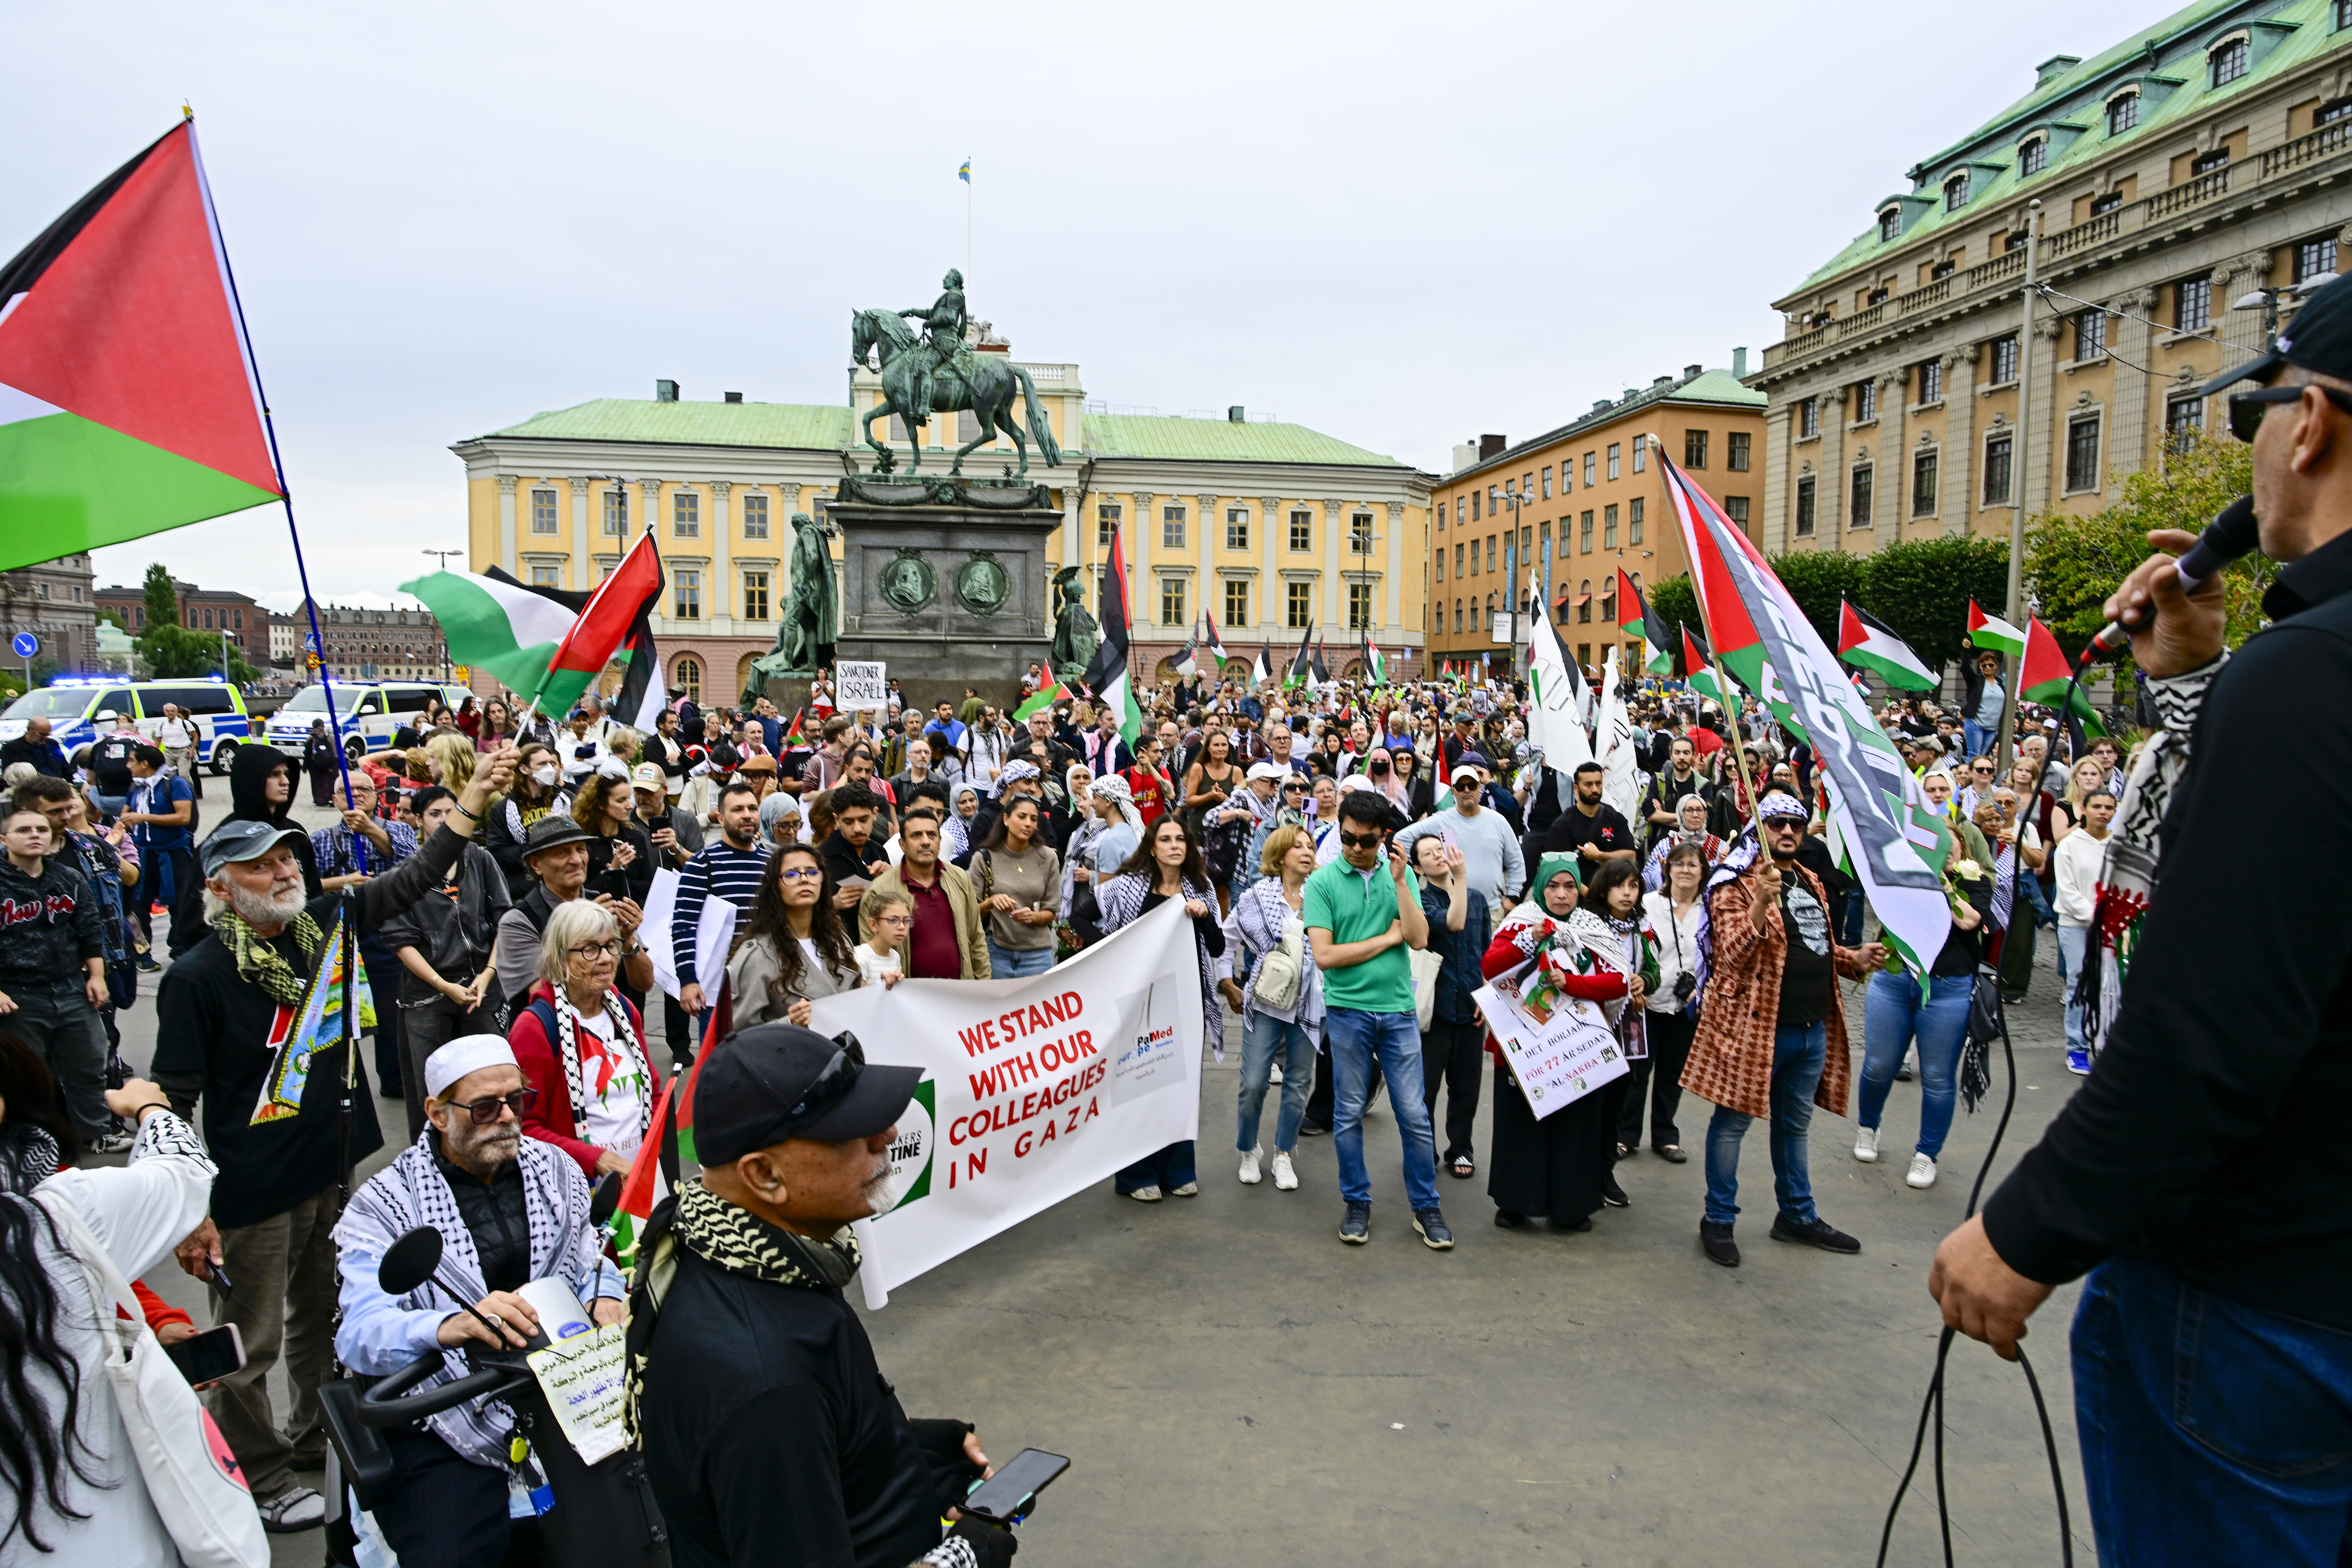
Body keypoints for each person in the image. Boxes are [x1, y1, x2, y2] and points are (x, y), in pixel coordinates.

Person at [1924, 287, 2352, 1562]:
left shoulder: (2310, 676)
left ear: (2311, 425)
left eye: (2252, 411)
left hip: (2264, 1306)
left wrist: (2029, 1226)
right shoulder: (2298, 677)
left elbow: (2213, 1023)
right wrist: (2206, 678)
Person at [151, 744, 518, 1533]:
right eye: (259, 866)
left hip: (329, 1171)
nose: (283, 872)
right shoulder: (195, 977)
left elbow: (411, 879)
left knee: (326, 1317)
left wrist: (472, 803)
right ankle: (258, 1473)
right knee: (245, 1345)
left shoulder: (322, 928)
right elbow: (171, 1104)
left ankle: (316, 1434)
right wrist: (188, 1210)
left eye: (288, 858)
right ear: (219, 886)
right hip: (247, 1192)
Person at [627, 1020, 1011, 1568]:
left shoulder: (739, 1250)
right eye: (848, 1130)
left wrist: (901, 1447)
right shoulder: (768, 1384)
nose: (887, 1134)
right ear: (765, 1174)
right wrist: (969, 1552)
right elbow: (777, 1423)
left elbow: (794, 1466)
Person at [331, 1036, 626, 1568]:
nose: (507, 1117)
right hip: (446, 1413)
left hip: (569, 1394)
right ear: (437, 1113)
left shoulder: (557, 1168)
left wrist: (605, 1293)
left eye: (517, 1100)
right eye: (486, 1106)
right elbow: (359, 1333)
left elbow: (590, 1256)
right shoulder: (383, 1204)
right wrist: (447, 1325)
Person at [0, 1081, 216, 1559]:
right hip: (100, 1522)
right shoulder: (57, 1208)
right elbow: (181, 1173)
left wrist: (158, 1321)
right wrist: (149, 1105)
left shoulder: (53, 1201)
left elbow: (90, 1265)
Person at [1681, 792, 1886, 1268]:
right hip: (1755, 1029)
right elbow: (1731, 956)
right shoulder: (1733, 882)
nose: (1788, 831)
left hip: (1812, 1029)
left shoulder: (1810, 879)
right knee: (1732, 1125)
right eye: (1777, 823)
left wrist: (1853, 958)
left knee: (1795, 1127)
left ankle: (1796, 1214)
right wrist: (1760, 902)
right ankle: (1718, 1219)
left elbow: (1816, 945)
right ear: (1759, 830)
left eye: (1796, 822)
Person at [1304, 788, 1448, 1248]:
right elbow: (1326, 956)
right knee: (1348, 1113)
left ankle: (1426, 1206)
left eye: (1367, 841)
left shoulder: (1398, 876)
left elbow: (1420, 938)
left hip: (1399, 1010)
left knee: (1415, 1115)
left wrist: (1403, 883)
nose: (1356, 848)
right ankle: (1357, 1201)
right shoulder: (1322, 882)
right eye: (1348, 837)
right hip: (1347, 1011)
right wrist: (1388, 940)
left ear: (1383, 837)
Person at [1481, 855, 1629, 1231]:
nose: (1562, 895)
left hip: (1577, 1047)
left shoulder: (1591, 927)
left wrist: (1573, 983)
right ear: (1540, 888)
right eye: (1553, 886)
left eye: (1569, 886)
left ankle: (1571, 1207)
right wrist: (1530, 940)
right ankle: (1515, 1203)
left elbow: (1619, 981)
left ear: (1579, 889)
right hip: (1527, 1048)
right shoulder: (1522, 922)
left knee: (1575, 1129)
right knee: (1521, 1124)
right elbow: (1491, 967)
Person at [1852, 809, 1995, 1191]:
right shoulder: (1903, 877)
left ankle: (1926, 1154)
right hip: (1895, 982)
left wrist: (1944, 882)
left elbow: (1969, 921)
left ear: (1961, 847)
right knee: (1879, 1065)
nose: (1943, 850)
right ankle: (1868, 1128)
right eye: (1934, 845)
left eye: (1949, 844)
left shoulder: (1975, 880)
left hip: (1949, 988)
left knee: (1936, 1076)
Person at [1097, 815, 1222, 1201]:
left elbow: (1217, 947)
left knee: (1181, 1086)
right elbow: (1085, 918)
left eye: (1180, 839)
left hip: (1186, 1000)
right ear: (1152, 847)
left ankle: (1178, 1170)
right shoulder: (1127, 886)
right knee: (1140, 1083)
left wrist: (1203, 916)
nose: (1174, 845)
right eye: (1166, 839)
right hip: (1139, 1003)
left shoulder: (1201, 887)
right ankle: (1136, 1175)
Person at [377, 783, 511, 1142]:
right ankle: (431, 1157)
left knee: (490, 1075)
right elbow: (401, 942)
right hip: (427, 995)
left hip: (482, 988)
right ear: (418, 820)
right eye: (435, 814)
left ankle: (492, 1145)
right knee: (432, 1085)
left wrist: (489, 973)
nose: (445, 820)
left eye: (452, 812)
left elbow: (504, 920)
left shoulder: (480, 859)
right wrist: (442, 985)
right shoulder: (403, 875)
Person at [507, 899, 663, 1180]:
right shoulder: (535, 1028)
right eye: (589, 949)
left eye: (611, 945)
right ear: (560, 957)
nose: (606, 958)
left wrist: (657, 1146)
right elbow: (524, 1128)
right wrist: (597, 1160)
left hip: (641, 1179)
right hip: (577, 1188)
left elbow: (653, 1092)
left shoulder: (624, 1010)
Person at [0, 805, 116, 1151]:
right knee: (25, 1075)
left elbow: (90, 930)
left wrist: (98, 976)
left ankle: (96, 1132)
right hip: (18, 995)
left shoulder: (69, 878)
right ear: (4, 839)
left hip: (72, 988)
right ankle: (31, 1141)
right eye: (24, 830)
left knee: (90, 1064)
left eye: (41, 829)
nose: (35, 835)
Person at [1218, 823, 1325, 1192]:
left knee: (1298, 1084)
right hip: (1265, 1003)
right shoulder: (1256, 897)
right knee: (1253, 1083)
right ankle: (1249, 1149)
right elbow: (1227, 938)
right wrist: (1227, 981)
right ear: (1280, 855)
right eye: (1299, 846)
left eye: (1310, 846)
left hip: (1310, 1004)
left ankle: (1283, 1154)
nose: (1307, 852)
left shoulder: (1323, 894)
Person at [492, 814, 655, 1017]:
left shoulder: (607, 906)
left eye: (581, 849)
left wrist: (628, 939)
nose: (577, 860)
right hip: (554, 1033)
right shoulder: (519, 921)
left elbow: (645, 983)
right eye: (562, 853)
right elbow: (545, 995)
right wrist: (587, 930)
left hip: (616, 1027)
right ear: (536, 864)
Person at [1410, 834, 1489, 1182]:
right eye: (1428, 854)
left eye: (1440, 849)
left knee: (1466, 1087)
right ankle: (1423, 1148)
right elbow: (1454, 922)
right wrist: (1462, 878)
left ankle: (1461, 1147)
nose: (1438, 856)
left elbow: (1486, 950)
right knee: (1426, 1088)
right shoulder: (1422, 900)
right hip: (1435, 1009)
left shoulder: (1477, 899)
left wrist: (1486, 996)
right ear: (1418, 867)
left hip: (1471, 1008)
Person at [672, 779, 771, 1052]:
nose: (747, 815)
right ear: (721, 817)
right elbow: (683, 926)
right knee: (717, 1062)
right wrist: (688, 981)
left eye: (752, 808)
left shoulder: (771, 863)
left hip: (764, 984)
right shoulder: (702, 863)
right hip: (718, 989)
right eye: (738, 810)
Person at [1631, 840, 1708, 1163]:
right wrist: (1635, 984)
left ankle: (1665, 1137)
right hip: (1646, 1002)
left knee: (1673, 1073)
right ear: (1668, 869)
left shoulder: (1711, 910)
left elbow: (1716, 957)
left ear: (1703, 871)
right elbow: (1631, 947)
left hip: (1686, 1006)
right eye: (1679, 864)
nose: (1685, 870)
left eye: (1693, 864)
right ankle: (1625, 1135)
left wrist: (1703, 988)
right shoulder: (1648, 904)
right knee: (1637, 1072)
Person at [729, 842, 862, 1028]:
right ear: (776, 886)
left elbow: (857, 1005)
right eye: (791, 875)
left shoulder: (839, 942)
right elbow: (739, 1033)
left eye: (812, 873)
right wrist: (790, 1024)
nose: (804, 880)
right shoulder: (758, 955)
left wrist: (885, 987)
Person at [861, 810, 989, 980]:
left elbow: (977, 938)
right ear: (903, 844)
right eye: (916, 835)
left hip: (961, 991)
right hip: (907, 993)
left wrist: (983, 985)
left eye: (932, 835)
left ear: (940, 842)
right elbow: (871, 954)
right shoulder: (880, 891)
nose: (926, 842)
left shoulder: (960, 879)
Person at [1395, 754, 1524, 912]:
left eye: (1472, 785)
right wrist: (1430, 867)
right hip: (1453, 910)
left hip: (1493, 910)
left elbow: (1516, 861)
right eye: (1461, 787)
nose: (1467, 790)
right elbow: (1401, 840)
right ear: (1454, 791)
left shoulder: (1498, 821)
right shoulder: (1442, 821)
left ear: (1480, 787)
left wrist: (1513, 897)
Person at [2051, 787, 2116, 1074]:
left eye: (2109, 808)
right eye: (2097, 807)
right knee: (2080, 981)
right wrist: (2095, 918)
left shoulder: (2119, 845)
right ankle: (2077, 1047)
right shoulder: (2070, 845)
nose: (2103, 812)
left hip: (2113, 927)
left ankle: (2105, 1042)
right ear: (2084, 810)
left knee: (2109, 984)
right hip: (2076, 925)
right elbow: (2067, 890)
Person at [971, 788, 1060, 979]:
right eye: (1022, 817)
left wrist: (1034, 917)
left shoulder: (1048, 857)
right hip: (996, 952)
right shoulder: (984, 858)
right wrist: (991, 902)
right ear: (1006, 819)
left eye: (1034, 819)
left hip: (1038, 955)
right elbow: (970, 912)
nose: (1028, 824)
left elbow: (1052, 911)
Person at [120, 743, 194, 966]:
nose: (128, 766)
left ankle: (180, 949)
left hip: (174, 854)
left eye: (131, 761)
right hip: (143, 854)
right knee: (139, 906)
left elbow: (184, 818)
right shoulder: (136, 786)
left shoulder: (175, 784)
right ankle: (142, 954)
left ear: (145, 764)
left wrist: (145, 818)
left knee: (180, 904)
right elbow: (125, 816)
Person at [1542, 759, 1638, 875]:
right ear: (1576, 788)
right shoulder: (1563, 825)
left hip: (1612, 884)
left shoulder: (1615, 818)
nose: (1595, 789)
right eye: (1588, 785)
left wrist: (1599, 856)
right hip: (1579, 885)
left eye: (1599, 784)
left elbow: (1631, 856)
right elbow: (1556, 869)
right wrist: (1584, 888)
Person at [85, 710, 139, 818]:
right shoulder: (141, 744)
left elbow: (90, 780)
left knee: (86, 788)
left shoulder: (99, 744)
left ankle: (92, 822)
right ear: (135, 732)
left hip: (107, 802)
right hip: (138, 801)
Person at [855, 890, 910, 988]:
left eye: (907, 920)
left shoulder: (895, 956)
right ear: (873, 925)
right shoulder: (862, 957)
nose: (902, 927)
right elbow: (859, 996)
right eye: (893, 920)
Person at [154, 703, 203, 797]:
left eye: (173, 711)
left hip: (183, 751)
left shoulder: (185, 723)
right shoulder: (162, 725)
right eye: (168, 711)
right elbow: (158, 740)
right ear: (165, 713)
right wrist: (154, 752)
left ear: (176, 712)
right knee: (170, 776)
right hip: (169, 752)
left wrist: (192, 750)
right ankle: (174, 796)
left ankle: (190, 795)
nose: (170, 713)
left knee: (184, 774)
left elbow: (195, 736)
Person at [0, 717, 67, 779]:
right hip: (31, 786)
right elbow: (9, 777)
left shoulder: (53, 744)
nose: (46, 738)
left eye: (48, 735)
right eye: (42, 735)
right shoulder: (12, 749)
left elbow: (66, 768)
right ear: (29, 730)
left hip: (57, 784)